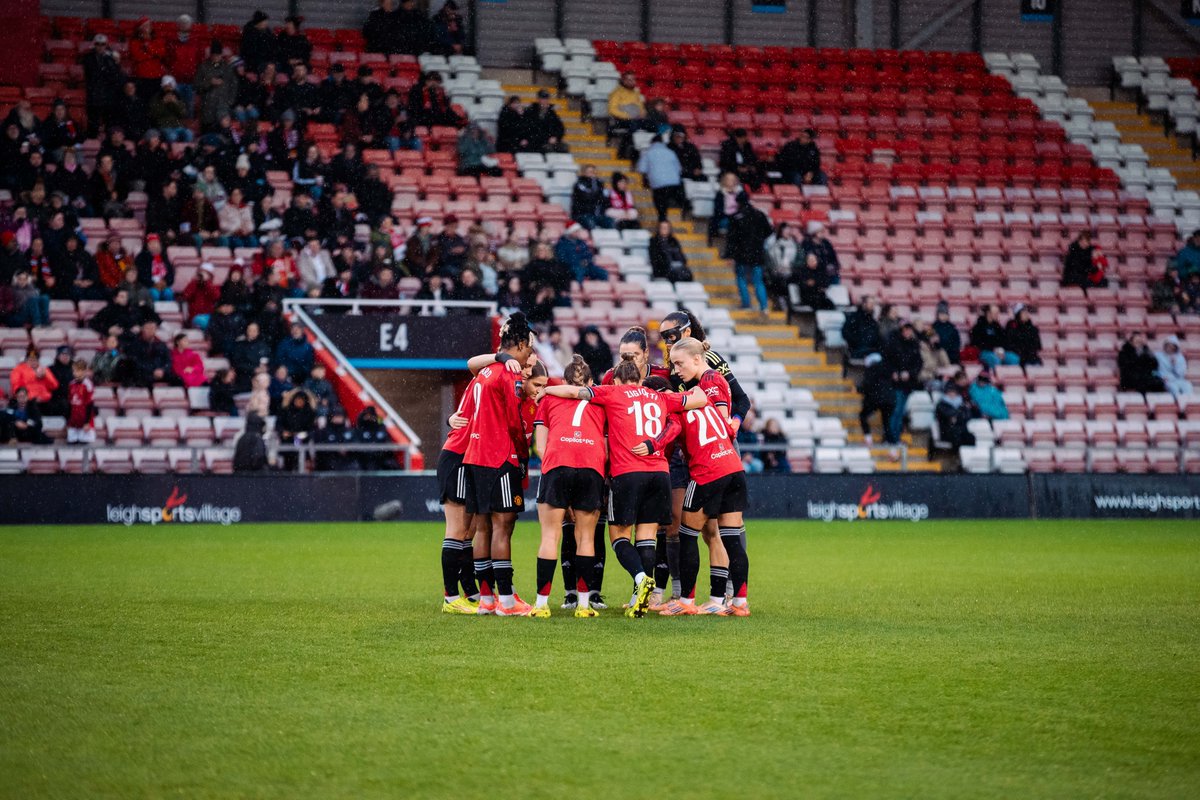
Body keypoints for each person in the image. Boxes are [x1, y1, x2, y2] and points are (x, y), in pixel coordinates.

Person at [541, 358, 708, 618]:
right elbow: (699, 398)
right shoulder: (658, 396)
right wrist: (698, 383)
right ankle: (638, 599)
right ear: (640, 380)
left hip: (628, 473)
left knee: (619, 537)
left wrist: (547, 390)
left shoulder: (613, 392)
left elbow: (576, 392)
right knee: (647, 537)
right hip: (660, 473)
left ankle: (641, 578)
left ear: (617, 380)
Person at [652, 337, 751, 616]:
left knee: (687, 535)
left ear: (697, 359)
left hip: (708, 471)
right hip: (733, 467)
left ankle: (686, 601)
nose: (676, 370)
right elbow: (727, 427)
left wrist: (652, 446)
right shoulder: (703, 393)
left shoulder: (703, 386)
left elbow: (670, 435)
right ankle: (738, 603)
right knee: (730, 537)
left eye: (679, 364)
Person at [457, 314, 537, 616]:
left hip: (474, 456)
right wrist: (523, 454)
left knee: (483, 528)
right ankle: (507, 601)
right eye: (529, 348)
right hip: (499, 456)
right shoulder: (509, 373)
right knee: (503, 527)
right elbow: (515, 423)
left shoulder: (484, 372)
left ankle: (487, 599)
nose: (529, 355)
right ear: (520, 344)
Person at [528, 354, 608, 618]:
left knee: (550, 536)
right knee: (586, 537)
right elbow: (606, 447)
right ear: (591, 382)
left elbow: (541, 447)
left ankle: (541, 605)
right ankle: (584, 606)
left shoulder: (548, 399)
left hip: (558, 465)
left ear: (563, 381)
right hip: (591, 466)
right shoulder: (600, 400)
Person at [724, 196, 772, 314]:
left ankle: (746, 304)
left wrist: (730, 255)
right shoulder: (760, 215)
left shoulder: (736, 217)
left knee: (741, 278)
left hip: (741, 254)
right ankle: (764, 306)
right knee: (758, 281)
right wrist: (758, 241)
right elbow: (769, 231)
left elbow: (732, 238)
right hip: (757, 253)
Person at [884, 322, 922, 447]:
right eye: (905, 330)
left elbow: (918, 364)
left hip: (908, 384)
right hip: (895, 383)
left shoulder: (914, 345)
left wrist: (909, 373)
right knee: (896, 410)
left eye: (909, 330)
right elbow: (888, 361)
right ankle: (891, 438)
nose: (907, 332)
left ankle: (895, 437)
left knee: (901, 412)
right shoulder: (894, 344)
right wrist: (894, 372)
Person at [82, 34, 125, 137]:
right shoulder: (88, 58)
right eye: (98, 44)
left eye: (103, 44)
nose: (100, 46)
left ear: (106, 45)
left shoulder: (111, 58)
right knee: (93, 125)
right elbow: (91, 75)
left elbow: (116, 76)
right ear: (94, 45)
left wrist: (116, 62)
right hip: (94, 96)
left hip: (108, 96)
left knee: (109, 124)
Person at [636, 135, 685, 223]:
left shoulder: (648, 153)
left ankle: (662, 219)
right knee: (669, 197)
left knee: (660, 203)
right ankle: (679, 208)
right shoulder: (671, 152)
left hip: (658, 183)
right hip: (674, 183)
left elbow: (641, 169)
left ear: (652, 143)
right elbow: (679, 169)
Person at [858, 352, 895, 448]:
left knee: (863, 416)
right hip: (889, 399)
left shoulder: (871, 370)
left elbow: (867, 385)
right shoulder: (887, 368)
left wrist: (859, 389)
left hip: (875, 399)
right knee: (887, 422)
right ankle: (892, 448)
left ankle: (868, 439)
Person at [129, 18, 169, 101]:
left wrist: (148, 47)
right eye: (145, 25)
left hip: (156, 76)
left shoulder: (157, 40)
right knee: (143, 101)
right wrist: (153, 55)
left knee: (155, 101)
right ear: (139, 28)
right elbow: (137, 57)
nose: (147, 28)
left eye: (149, 25)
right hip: (142, 76)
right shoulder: (134, 41)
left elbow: (162, 53)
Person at [607, 72, 646, 157]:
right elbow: (612, 110)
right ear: (623, 81)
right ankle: (632, 152)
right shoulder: (617, 92)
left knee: (651, 125)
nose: (631, 82)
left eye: (633, 79)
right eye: (628, 80)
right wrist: (628, 116)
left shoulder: (636, 92)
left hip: (635, 119)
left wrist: (642, 114)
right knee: (634, 126)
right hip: (621, 120)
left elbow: (641, 107)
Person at [708, 172, 747, 245]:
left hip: (738, 217)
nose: (731, 181)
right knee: (730, 223)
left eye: (733, 179)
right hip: (724, 217)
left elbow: (745, 207)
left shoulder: (741, 193)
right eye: (729, 179)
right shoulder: (720, 194)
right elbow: (717, 209)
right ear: (724, 181)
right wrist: (729, 215)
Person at [570, 165, 611, 231]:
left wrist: (597, 195)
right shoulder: (579, 184)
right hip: (582, 214)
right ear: (584, 173)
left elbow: (605, 199)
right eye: (590, 172)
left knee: (610, 222)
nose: (592, 174)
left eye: (594, 172)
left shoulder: (599, 183)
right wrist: (597, 195)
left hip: (597, 214)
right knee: (591, 224)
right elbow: (586, 197)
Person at [800, 221, 841, 286]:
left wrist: (833, 266)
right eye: (820, 231)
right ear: (814, 232)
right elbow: (807, 261)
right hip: (814, 272)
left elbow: (834, 259)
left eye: (822, 230)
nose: (823, 232)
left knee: (835, 276)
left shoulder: (826, 243)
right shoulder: (806, 244)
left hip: (827, 272)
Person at [936, 382, 975, 450]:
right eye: (950, 392)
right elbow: (948, 415)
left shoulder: (961, 403)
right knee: (957, 436)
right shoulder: (941, 404)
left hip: (962, 429)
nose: (952, 394)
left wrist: (957, 417)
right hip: (947, 430)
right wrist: (959, 415)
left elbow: (968, 415)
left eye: (954, 392)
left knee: (970, 437)